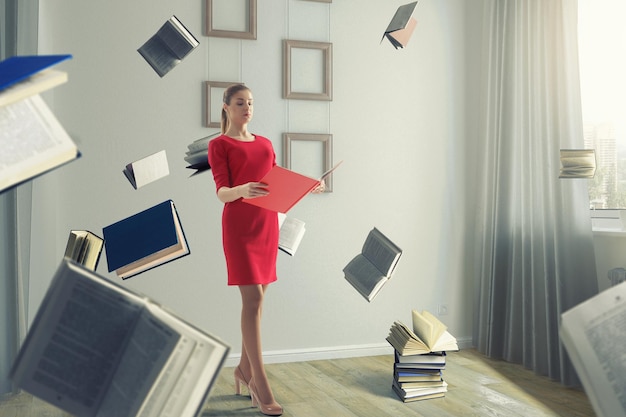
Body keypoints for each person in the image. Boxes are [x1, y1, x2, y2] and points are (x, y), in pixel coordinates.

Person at [208, 84, 323, 416]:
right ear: (226, 107)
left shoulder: (265, 144)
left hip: (267, 226)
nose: (247, 108)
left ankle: (243, 370)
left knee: (258, 305)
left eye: (251, 103)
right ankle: (259, 382)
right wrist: (242, 189)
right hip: (239, 228)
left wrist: (309, 186)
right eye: (240, 103)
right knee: (253, 301)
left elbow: (277, 183)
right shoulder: (219, 145)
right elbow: (222, 193)